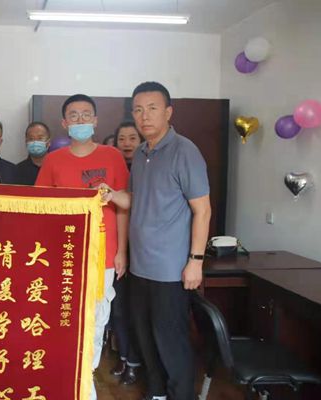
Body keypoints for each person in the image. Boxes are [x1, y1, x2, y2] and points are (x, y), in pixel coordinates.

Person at [106, 82, 211, 400]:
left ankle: (181, 395)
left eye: (152, 108)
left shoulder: (185, 151)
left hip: (170, 269)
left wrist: (195, 261)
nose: (144, 116)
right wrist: (110, 195)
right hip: (141, 266)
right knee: (146, 337)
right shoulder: (141, 153)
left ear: (168, 112)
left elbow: (202, 210)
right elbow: (135, 199)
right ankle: (156, 392)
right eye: (138, 110)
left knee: (170, 340)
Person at [35, 94, 129, 400]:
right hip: (64, 255)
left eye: (86, 114)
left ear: (96, 121)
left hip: (104, 256)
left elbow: (125, 204)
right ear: (64, 123)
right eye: (73, 115)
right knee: (64, 317)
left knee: (97, 319)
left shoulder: (112, 157)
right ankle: (64, 379)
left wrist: (122, 250)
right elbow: (39, 208)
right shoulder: (53, 161)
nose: (80, 120)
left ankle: (85, 382)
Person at [108, 121, 144, 385]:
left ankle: (136, 361)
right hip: (118, 251)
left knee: (138, 311)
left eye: (133, 138)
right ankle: (124, 357)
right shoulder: (112, 171)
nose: (127, 143)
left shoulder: (146, 170)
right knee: (119, 310)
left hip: (143, 252)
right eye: (122, 139)